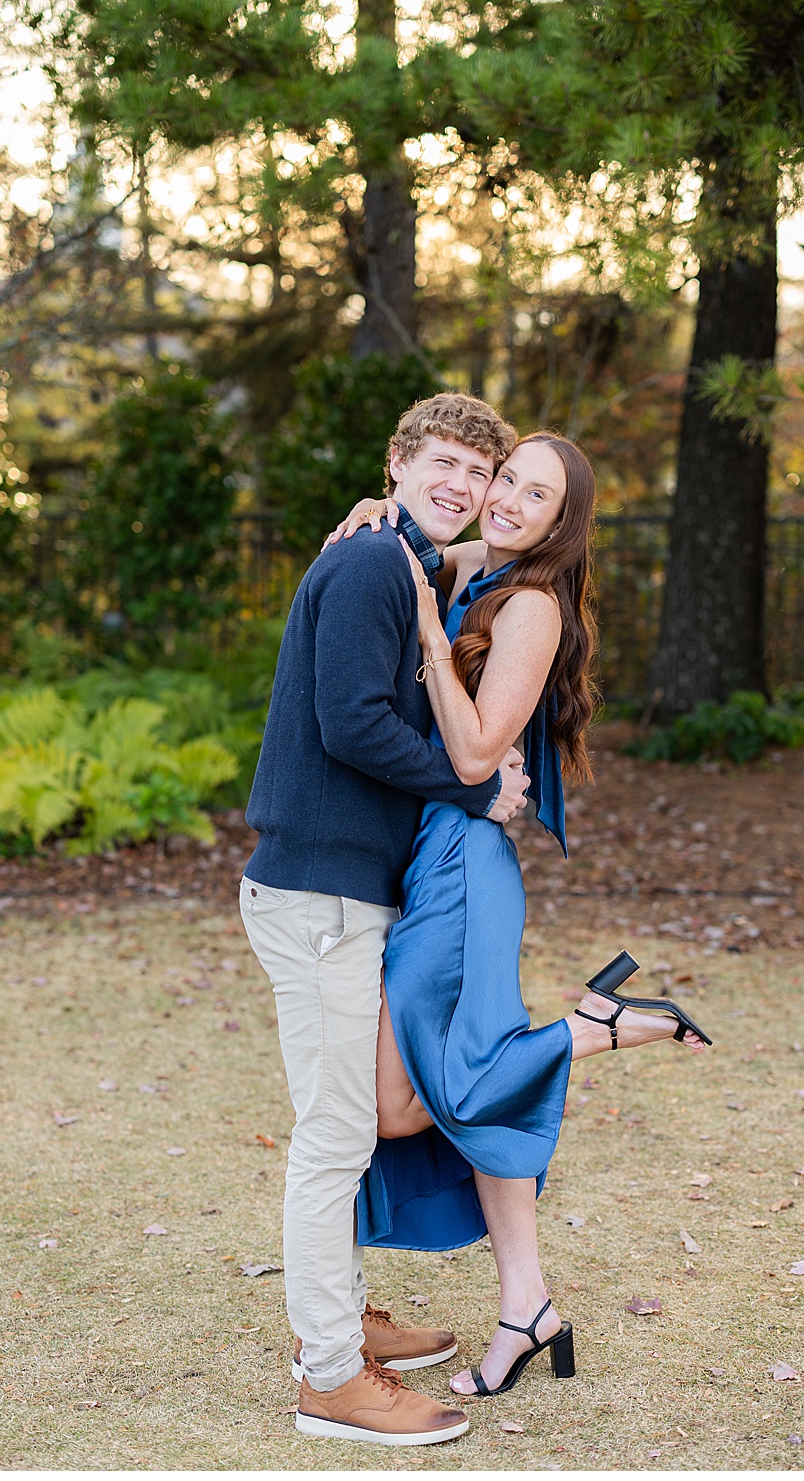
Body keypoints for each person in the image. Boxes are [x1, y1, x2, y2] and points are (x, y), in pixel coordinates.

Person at [321, 432, 711, 1401]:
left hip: (462, 871)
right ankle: (526, 1306)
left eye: (536, 495)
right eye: (506, 479)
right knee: (463, 1082)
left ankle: (592, 1029)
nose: (504, 499)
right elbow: (407, 535)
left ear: (560, 524)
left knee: (397, 1104)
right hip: (431, 861)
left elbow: (474, 758)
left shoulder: (531, 606)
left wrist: (427, 632)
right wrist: (374, 511)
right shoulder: (473, 566)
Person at [240, 393, 531, 1446]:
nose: (463, 486)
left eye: (479, 474)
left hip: (342, 890)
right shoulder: (371, 563)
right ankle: (329, 1375)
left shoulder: (402, 558)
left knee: (351, 1123)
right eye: (443, 462)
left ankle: (342, 1316)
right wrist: (473, 787)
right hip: (318, 894)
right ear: (399, 460)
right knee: (334, 1134)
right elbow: (350, 722)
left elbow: (486, 561)